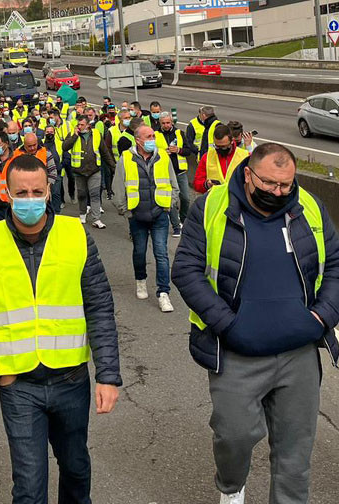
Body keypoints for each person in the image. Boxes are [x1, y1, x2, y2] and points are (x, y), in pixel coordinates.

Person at [172, 143, 339, 504]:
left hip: (299, 352)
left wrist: (322, 316)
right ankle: (231, 486)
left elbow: (336, 264)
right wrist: (228, 325)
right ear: (248, 173)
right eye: (270, 184)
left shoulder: (308, 206)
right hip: (236, 352)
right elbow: (185, 271)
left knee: (296, 452)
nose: (279, 193)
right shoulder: (211, 207)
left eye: (286, 185)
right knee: (233, 436)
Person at [0, 154, 121, 504]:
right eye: (22, 192)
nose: (30, 199)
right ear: (6, 192)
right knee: (29, 486)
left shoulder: (74, 235)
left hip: (70, 381)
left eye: (37, 191)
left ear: (48, 191)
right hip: (19, 386)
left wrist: (108, 374)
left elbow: (99, 307)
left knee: (76, 470)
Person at [112, 125, 178, 312]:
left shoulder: (163, 156)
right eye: (148, 136)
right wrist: (126, 210)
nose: (152, 139)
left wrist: (169, 204)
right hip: (137, 215)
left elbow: (172, 183)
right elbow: (118, 186)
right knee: (140, 252)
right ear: (138, 140)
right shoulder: (126, 158)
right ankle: (140, 280)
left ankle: (163, 293)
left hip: (159, 213)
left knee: (161, 253)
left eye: (153, 136)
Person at [62, 115, 115, 229]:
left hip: (94, 170)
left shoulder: (96, 134)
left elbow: (104, 151)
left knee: (95, 194)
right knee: (82, 194)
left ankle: (96, 219)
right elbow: (65, 147)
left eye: (82, 124)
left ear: (88, 125)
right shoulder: (72, 134)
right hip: (79, 171)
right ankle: (82, 213)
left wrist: (112, 166)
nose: (79, 127)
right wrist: (74, 136)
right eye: (78, 124)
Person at [155, 111, 192, 238]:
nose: (166, 125)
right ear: (160, 123)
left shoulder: (179, 133)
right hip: (165, 173)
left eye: (168, 122)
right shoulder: (155, 134)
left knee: (185, 198)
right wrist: (162, 152)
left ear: (172, 122)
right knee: (171, 201)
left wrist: (178, 150)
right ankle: (176, 225)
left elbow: (188, 150)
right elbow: (151, 152)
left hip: (180, 171)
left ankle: (183, 219)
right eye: (163, 123)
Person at [194, 124, 250, 194]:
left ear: (232, 141)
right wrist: (207, 185)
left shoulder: (245, 156)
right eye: (217, 146)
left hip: (236, 202)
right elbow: (197, 184)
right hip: (214, 202)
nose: (220, 149)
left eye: (224, 146)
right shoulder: (207, 157)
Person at [43, 123, 62, 213]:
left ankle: (57, 213)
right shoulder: (41, 144)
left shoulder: (59, 143)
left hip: (57, 173)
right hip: (43, 175)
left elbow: (65, 156)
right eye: (47, 132)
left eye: (51, 132)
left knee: (56, 194)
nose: (49, 133)